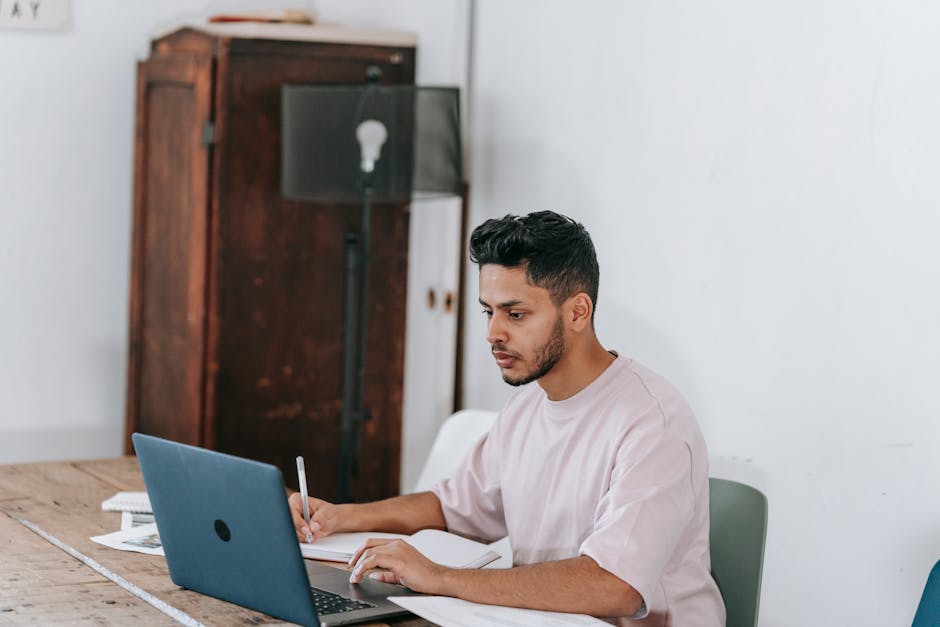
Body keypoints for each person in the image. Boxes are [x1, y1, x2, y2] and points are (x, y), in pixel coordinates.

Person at [289, 210, 724, 625]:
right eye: (488, 311)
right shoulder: (527, 408)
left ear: (577, 312)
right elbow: (453, 507)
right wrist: (342, 517)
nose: (493, 333)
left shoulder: (652, 422)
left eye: (515, 314)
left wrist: (441, 578)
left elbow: (616, 585)